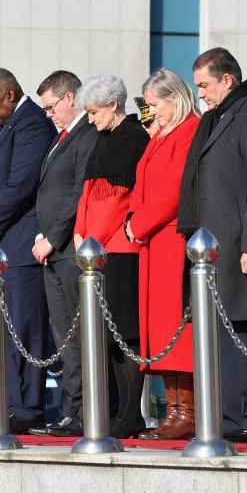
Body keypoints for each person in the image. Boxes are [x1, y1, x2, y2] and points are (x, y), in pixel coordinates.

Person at [179, 48, 247, 442]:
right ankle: (226, 413)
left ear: (228, 79)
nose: (201, 92)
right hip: (210, 249)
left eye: (205, 84)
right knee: (221, 332)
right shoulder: (211, 119)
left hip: (240, 245)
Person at [0, 67, 56, 434]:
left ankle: (27, 405)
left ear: (8, 94)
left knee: (25, 327)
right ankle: (6, 402)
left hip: (19, 243)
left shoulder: (32, 125)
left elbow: (20, 183)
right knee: (1, 329)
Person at [73, 74, 149, 439]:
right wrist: (79, 231)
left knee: (125, 335)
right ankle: (113, 409)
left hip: (119, 250)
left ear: (114, 105)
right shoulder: (102, 139)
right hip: (97, 250)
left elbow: (118, 198)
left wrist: (93, 237)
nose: (90, 119)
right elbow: (89, 192)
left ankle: (131, 412)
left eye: (94, 111)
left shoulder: (134, 138)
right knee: (104, 336)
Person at [127, 68, 200, 440]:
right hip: (153, 244)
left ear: (174, 99)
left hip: (171, 241)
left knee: (177, 329)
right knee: (161, 330)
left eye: (155, 104)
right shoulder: (162, 135)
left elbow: (173, 191)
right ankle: (172, 407)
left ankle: (186, 409)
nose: (150, 111)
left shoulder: (189, 131)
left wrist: (137, 225)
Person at [31, 70, 97, 437]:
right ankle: (71, 409)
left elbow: (78, 192)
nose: (48, 114)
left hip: (70, 249)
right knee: (64, 336)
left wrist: (53, 238)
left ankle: (86, 410)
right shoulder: (61, 138)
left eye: (52, 106)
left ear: (70, 97)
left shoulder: (87, 134)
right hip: (51, 251)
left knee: (78, 334)